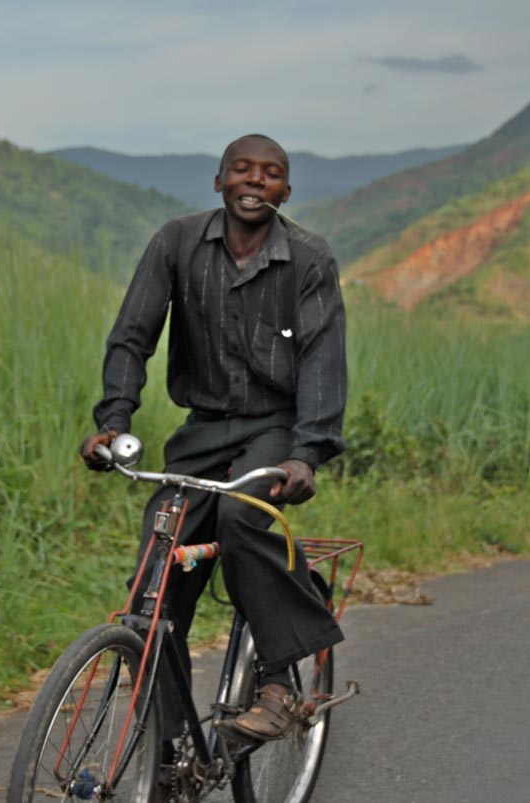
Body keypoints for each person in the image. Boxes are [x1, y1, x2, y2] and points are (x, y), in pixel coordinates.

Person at [79, 133, 348, 745]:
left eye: (271, 174)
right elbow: (132, 336)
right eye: (242, 171)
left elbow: (323, 360)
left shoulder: (308, 258)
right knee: (160, 565)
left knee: (240, 517)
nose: (256, 182)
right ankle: (172, 740)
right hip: (201, 429)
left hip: (273, 426)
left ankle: (278, 682)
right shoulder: (176, 243)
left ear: (285, 190)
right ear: (219, 181)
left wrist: (306, 454)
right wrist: (113, 421)